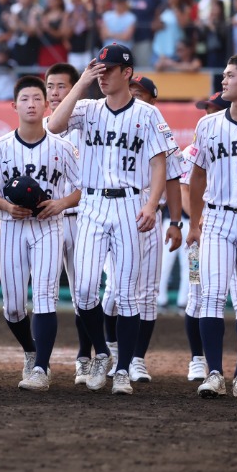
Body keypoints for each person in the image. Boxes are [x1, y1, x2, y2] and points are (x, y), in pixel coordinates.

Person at [48, 43, 177, 395]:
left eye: (108, 71)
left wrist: (152, 204)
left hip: (127, 205)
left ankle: (122, 370)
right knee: (86, 289)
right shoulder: (88, 107)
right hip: (90, 204)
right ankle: (102, 353)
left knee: (126, 294)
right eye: (98, 71)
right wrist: (81, 83)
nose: (102, 76)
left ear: (127, 73)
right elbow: (55, 125)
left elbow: (158, 163)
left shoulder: (147, 115)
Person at [0, 76, 81, 391]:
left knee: (45, 297)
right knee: (12, 306)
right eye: (25, 99)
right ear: (14, 106)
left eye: (37, 98)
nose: (32, 104)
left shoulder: (62, 147)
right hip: (12, 227)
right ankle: (31, 350)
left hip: (48, 226)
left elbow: (82, 188)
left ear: (47, 105)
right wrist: (7, 207)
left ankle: (41, 368)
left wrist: (61, 203)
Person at [99, 75, 184, 383]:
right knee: (113, 292)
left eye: (141, 92)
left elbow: (173, 181)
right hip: (114, 213)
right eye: (132, 89)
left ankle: (136, 359)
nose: (134, 94)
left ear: (152, 100)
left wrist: (175, 222)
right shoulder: (109, 125)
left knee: (147, 294)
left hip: (150, 218)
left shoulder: (161, 133)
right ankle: (113, 349)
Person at [186, 54, 237, 398]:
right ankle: (214, 373)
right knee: (210, 296)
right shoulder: (208, 125)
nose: (223, 81)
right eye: (223, 75)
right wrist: (195, 223)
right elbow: (196, 177)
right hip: (216, 217)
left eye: (230, 76)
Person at [44, 63, 94, 384]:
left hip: (83, 216)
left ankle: (86, 357)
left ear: (76, 88)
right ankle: (39, 362)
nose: (53, 93)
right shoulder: (41, 124)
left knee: (83, 294)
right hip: (49, 220)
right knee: (43, 293)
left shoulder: (90, 120)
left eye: (61, 87)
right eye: (50, 87)